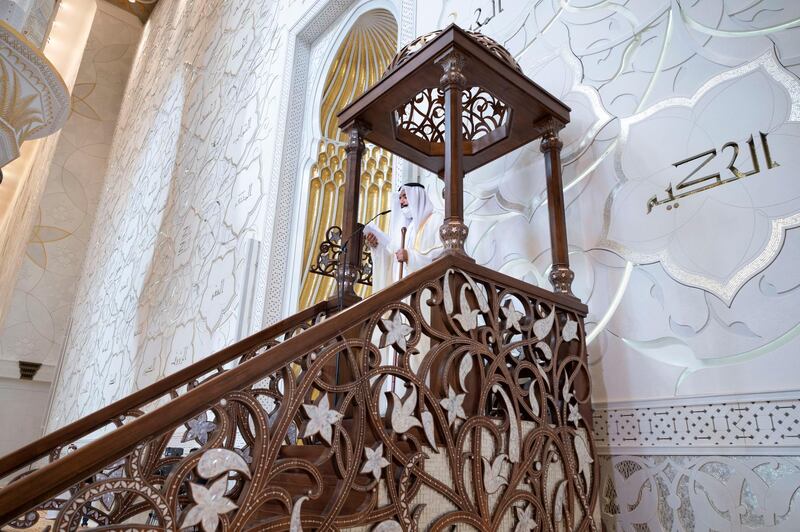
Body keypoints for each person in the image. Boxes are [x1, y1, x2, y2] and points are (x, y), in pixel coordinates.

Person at [364, 183, 443, 291]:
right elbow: (391, 261)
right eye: (400, 198)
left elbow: (441, 254)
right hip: (399, 291)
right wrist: (377, 247)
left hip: (422, 291)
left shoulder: (435, 220)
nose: (401, 202)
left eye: (405, 197)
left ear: (417, 198)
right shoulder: (403, 227)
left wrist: (410, 257)